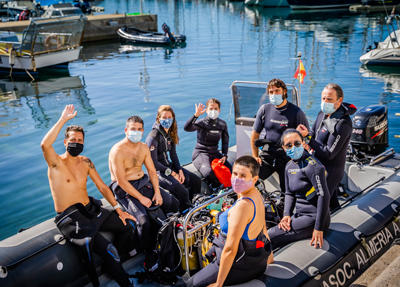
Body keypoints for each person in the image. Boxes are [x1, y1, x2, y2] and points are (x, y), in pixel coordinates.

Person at [41, 105, 136, 287]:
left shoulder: (86, 162)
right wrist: (63, 119)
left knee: (128, 225)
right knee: (110, 250)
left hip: (90, 211)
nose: (76, 143)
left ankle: (112, 267)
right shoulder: (55, 164)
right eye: (73, 140)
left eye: (80, 140)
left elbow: (101, 186)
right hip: (72, 218)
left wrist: (118, 209)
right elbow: (45, 145)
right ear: (65, 142)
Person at [187, 156, 274, 287]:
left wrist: (218, 284)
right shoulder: (256, 195)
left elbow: (230, 250)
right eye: (235, 173)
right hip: (256, 262)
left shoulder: (243, 206)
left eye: (243, 175)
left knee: (190, 284)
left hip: (239, 265)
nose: (237, 179)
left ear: (254, 179)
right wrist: (270, 257)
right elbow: (263, 228)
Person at [108, 115, 179, 262]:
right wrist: (141, 198)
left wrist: (157, 193)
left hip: (142, 181)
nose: (136, 132)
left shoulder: (143, 148)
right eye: (133, 129)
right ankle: (149, 252)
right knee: (143, 220)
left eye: (139, 129)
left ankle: (168, 239)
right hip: (125, 188)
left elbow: (152, 172)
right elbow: (120, 180)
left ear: (143, 131)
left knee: (173, 203)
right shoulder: (117, 150)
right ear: (126, 130)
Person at [267, 129, 330, 250]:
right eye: (289, 145)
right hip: (299, 215)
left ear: (303, 143)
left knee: (270, 235)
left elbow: (324, 195)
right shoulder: (289, 166)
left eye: (297, 143)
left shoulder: (313, 166)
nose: (293, 147)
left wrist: (318, 228)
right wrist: (287, 215)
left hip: (314, 217)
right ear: (284, 148)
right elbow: (289, 193)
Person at [297, 83, 356, 210]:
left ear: (339, 100)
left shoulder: (342, 123)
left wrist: (308, 138)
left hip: (331, 170)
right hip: (317, 164)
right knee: (332, 201)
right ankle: (336, 218)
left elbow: (329, 153)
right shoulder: (322, 113)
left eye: (329, 99)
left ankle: (319, 228)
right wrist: (304, 140)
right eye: (323, 98)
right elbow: (313, 133)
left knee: (317, 202)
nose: (325, 102)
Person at [251, 78, 309, 193]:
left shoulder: (296, 112)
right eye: (271, 92)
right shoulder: (264, 109)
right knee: (250, 181)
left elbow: (307, 137)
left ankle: (285, 208)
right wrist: (255, 156)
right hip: (267, 156)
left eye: (277, 91)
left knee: (287, 191)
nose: (274, 94)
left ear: (284, 92)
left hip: (287, 158)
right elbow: (254, 134)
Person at [145, 105, 202, 212]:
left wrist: (179, 170)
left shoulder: (170, 132)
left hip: (169, 166)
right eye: (164, 117)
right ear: (158, 118)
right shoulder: (153, 137)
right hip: (158, 172)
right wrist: (173, 173)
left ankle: (195, 207)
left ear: (173, 118)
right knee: (182, 191)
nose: (167, 120)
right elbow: (153, 163)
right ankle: (185, 214)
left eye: (169, 117)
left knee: (196, 181)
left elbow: (173, 155)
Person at [183, 98, 231, 188]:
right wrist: (196, 115)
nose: (213, 111)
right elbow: (187, 128)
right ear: (206, 110)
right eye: (211, 109)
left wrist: (224, 155)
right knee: (209, 172)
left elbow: (225, 141)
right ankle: (216, 191)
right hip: (201, 153)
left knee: (230, 169)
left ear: (219, 110)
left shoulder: (222, 124)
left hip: (215, 153)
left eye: (216, 109)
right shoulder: (202, 123)